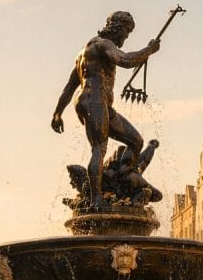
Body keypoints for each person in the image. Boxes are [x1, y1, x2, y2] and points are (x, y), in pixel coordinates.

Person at [51, 11, 161, 207]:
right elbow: (125, 60)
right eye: (126, 33)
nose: (125, 38)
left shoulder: (83, 54)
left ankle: (121, 182)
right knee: (99, 149)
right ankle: (96, 199)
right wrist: (149, 50)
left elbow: (69, 87)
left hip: (97, 104)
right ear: (118, 28)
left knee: (136, 141)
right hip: (95, 101)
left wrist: (58, 113)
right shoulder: (103, 44)